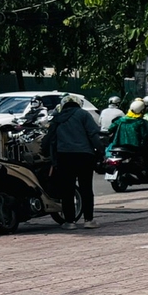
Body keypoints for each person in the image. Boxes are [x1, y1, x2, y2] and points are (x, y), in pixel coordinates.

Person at [46, 93, 102, 227]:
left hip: (64, 156)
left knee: (67, 190)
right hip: (84, 156)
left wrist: (53, 158)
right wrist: (100, 151)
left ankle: (69, 221)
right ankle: (88, 220)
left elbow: (50, 139)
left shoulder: (57, 118)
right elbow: (93, 134)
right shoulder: (83, 115)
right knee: (86, 188)